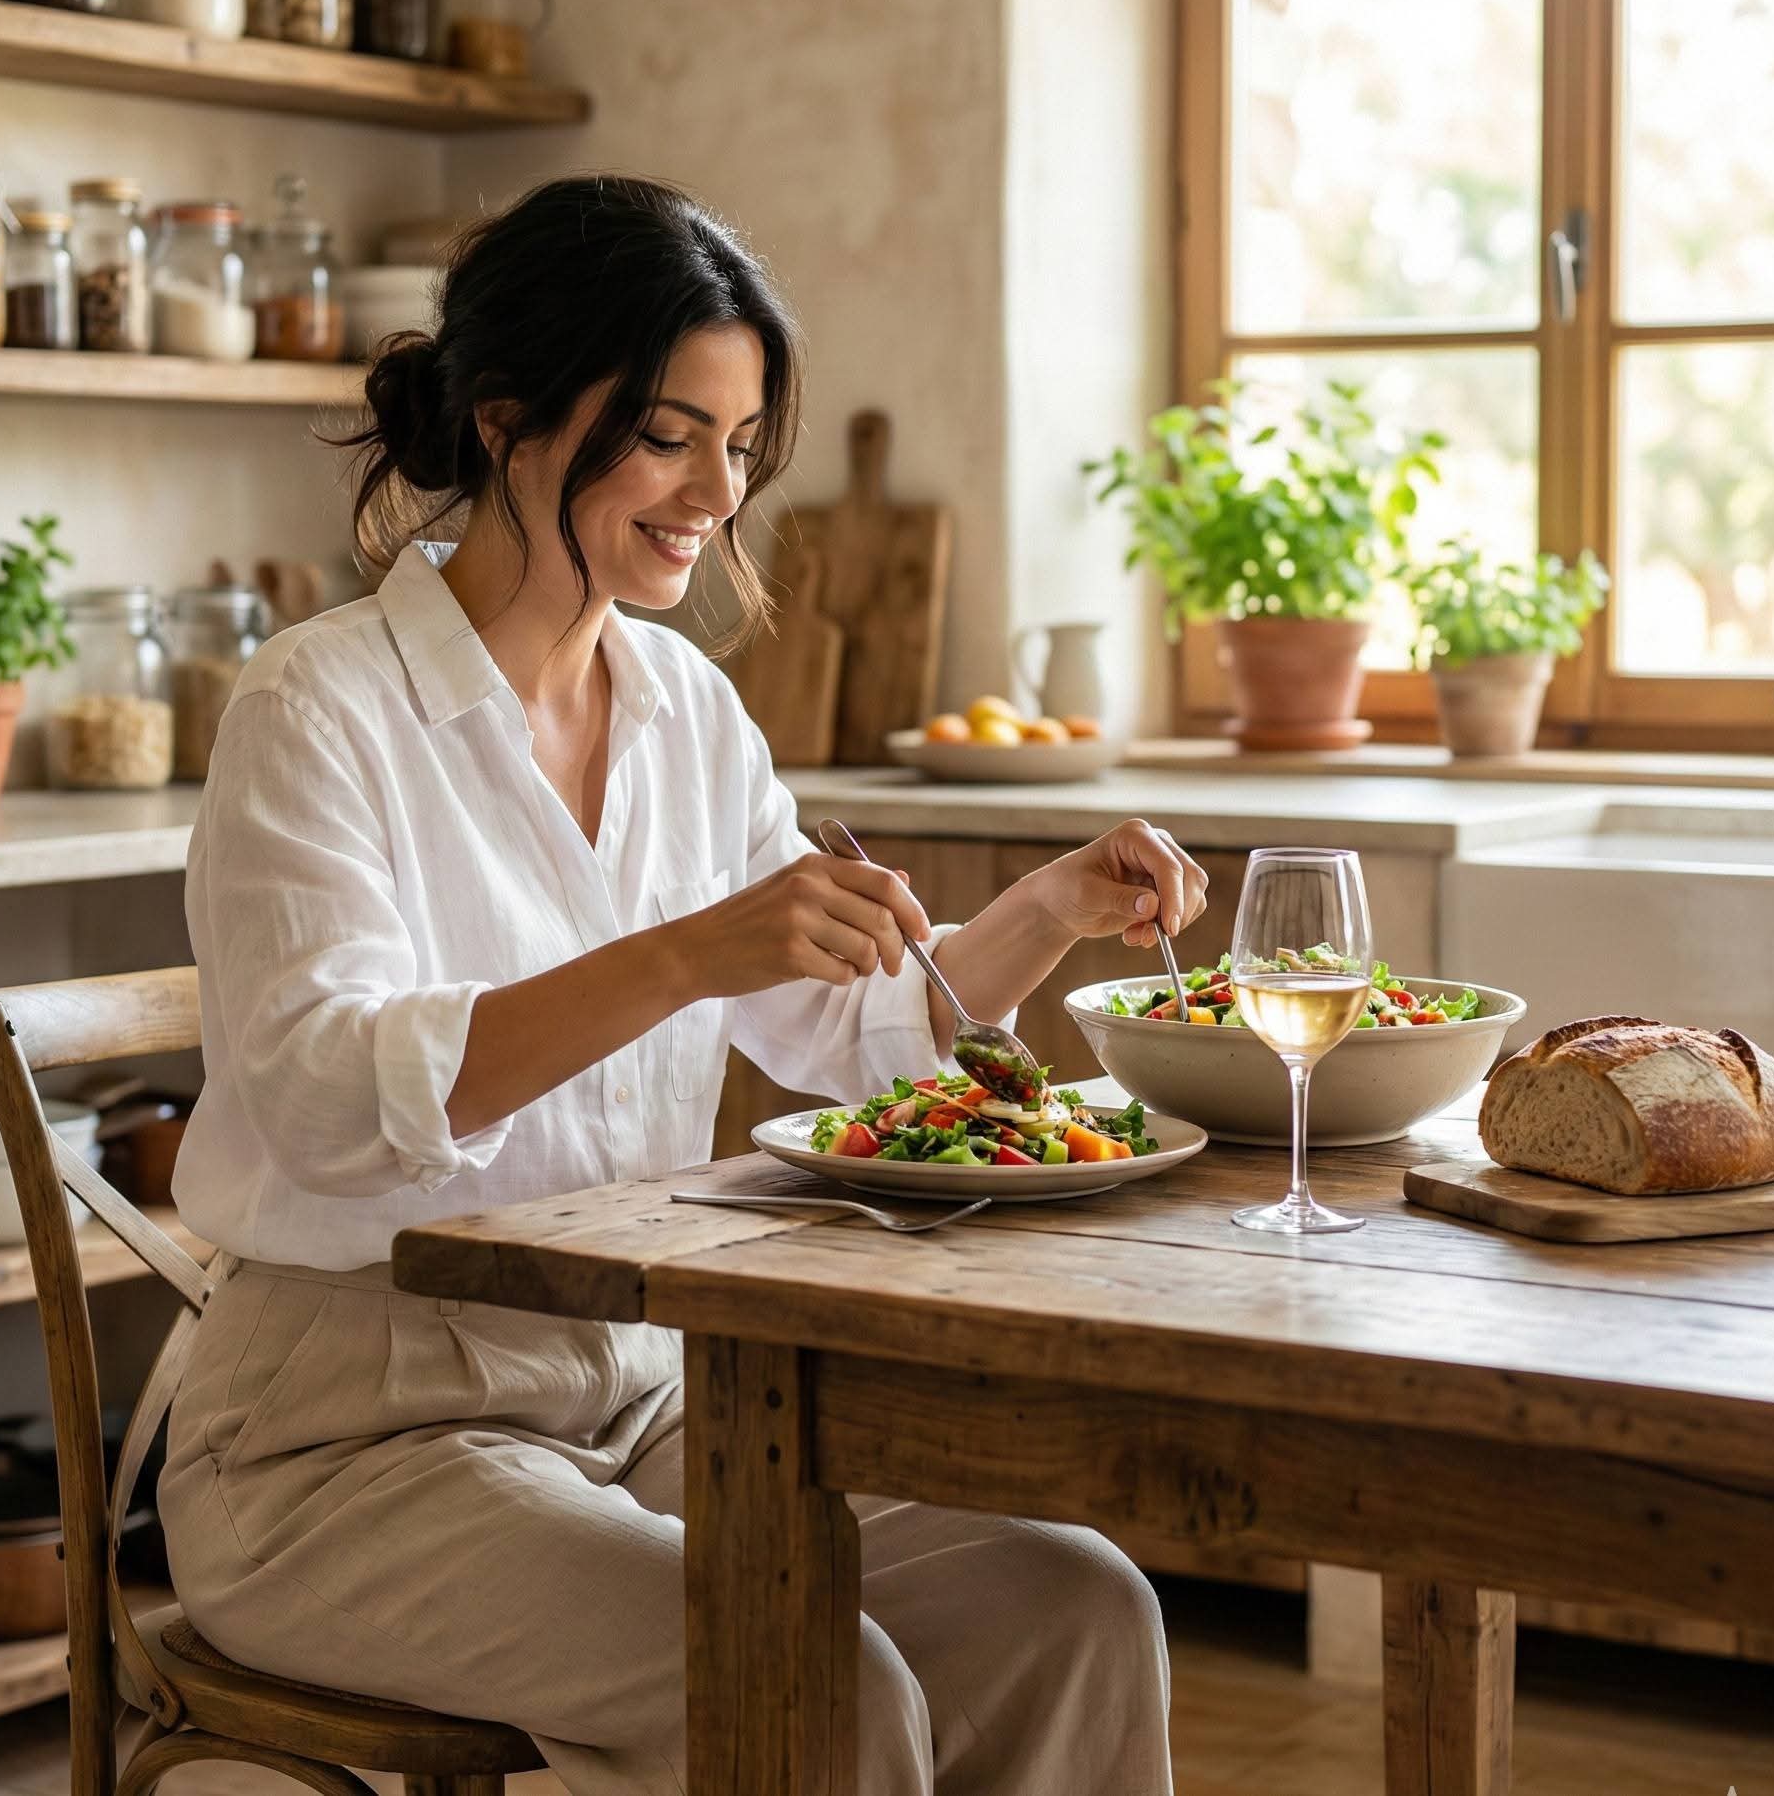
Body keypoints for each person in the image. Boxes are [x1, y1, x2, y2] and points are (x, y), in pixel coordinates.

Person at [159, 174, 1207, 1796]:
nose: (716, 489)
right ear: (509, 419)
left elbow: (849, 1031)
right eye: (667, 432)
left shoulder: (690, 712)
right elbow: (320, 1092)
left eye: (737, 442)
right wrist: (683, 956)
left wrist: (1048, 909)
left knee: (1071, 1604)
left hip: (643, 1396)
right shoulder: (316, 708)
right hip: (343, 1439)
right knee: (813, 1685)